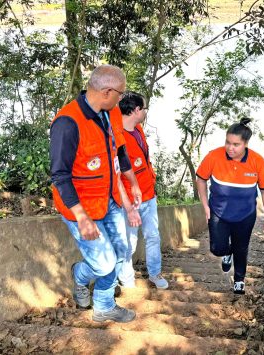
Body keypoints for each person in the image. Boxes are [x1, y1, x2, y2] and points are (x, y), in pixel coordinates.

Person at [49, 64, 143, 323]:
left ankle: (103, 306)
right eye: (120, 94)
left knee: (121, 251)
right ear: (106, 91)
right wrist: (81, 217)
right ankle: (79, 275)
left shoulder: (110, 112)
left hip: (109, 199)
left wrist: (129, 191)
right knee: (104, 264)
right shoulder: (68, 123)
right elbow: (59, 176)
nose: (122, 99)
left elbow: (119, 153)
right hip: (81, 206)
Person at [195, 118, 264, 294]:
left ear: (245, 144)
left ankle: (239, 279)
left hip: (245, 215)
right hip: (218, 213)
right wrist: (206, 206)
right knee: (217, 249)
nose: (230, 148)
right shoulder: (214, 156)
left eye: (236, 144)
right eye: (227, 142)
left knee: (242, 247)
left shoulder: (257, 161)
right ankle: (226, 253)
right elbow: (201, 178)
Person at [116, 92, 169, 290]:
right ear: (136, 110)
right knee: (129, 240)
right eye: (144, 108)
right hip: (129, 200)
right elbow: (117, 173)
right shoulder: (116, 136)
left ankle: (155, 273)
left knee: (153, 235)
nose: (146, 111)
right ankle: (126, 278)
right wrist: (128, 204)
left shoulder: (138, 128)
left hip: (148, 194)